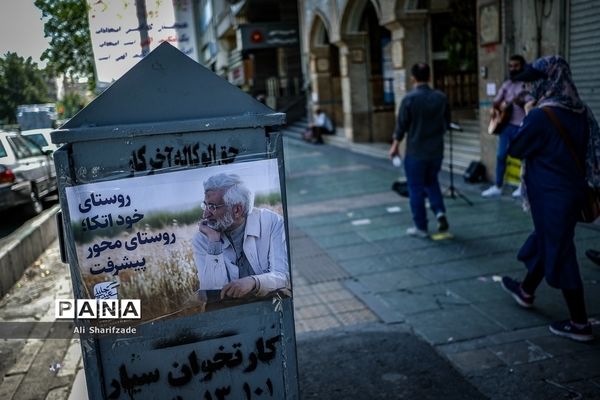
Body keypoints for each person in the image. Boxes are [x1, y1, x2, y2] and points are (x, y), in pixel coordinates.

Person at [500, 56, 596, 342]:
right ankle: (525, 290)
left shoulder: (542, 115)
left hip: (551, 194)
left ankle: (580, 324)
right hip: (572, 191)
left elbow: (516, 149)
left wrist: (528, 112)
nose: (530, 85)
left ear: (548, 80)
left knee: (561, 251)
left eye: (534, 80)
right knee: (549, 239)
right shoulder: (580, 110)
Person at [192, 173, 290, 299]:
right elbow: (212, 294)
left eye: (212, 207)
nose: (205, 214)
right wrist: (214, 243)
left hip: (269, 303)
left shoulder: (272, 222)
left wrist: (253, 282)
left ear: (237, 210)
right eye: (205, 205)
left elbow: (283, 276)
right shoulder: (203, 238)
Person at [388, 62, 450, 238]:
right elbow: (446, 123)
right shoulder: (441, 97)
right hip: (436, 151)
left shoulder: (409, 99)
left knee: (415, 188)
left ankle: (421, 227)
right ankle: (439, 212)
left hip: (416, 152)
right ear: (429, 77)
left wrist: (394, 146)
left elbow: (401, 126)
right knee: (432, 182)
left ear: (413, 78)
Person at [482, 55, 531, 198]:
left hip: (521, 125)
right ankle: (498, 186)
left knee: (524, 158)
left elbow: (531, 104)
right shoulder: (507, 84)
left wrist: (519, 102)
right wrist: (495, 109)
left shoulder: (527, 85)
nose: (512, 68)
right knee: (500, 155)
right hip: (506, 125)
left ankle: (523, 187)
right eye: (510, 66)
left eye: (516, 65)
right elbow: (496, 102)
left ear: (522, 66)